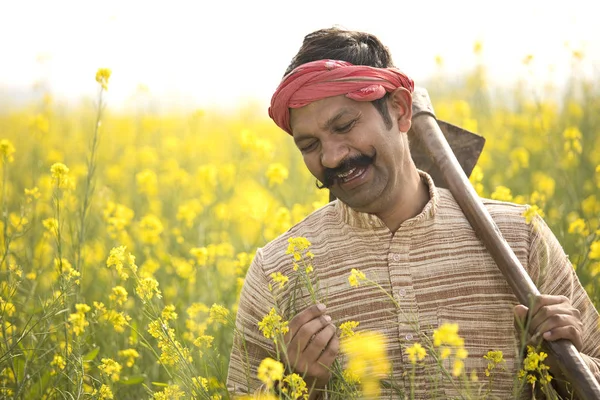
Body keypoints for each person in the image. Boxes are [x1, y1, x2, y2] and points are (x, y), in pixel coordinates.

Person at [226, 27, 600, 399]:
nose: (332, 157)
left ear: (400, 110)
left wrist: (565, 369)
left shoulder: (520, 237)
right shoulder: (277, 270)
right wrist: (298, 388)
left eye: (344, 126)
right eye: (310, 145)